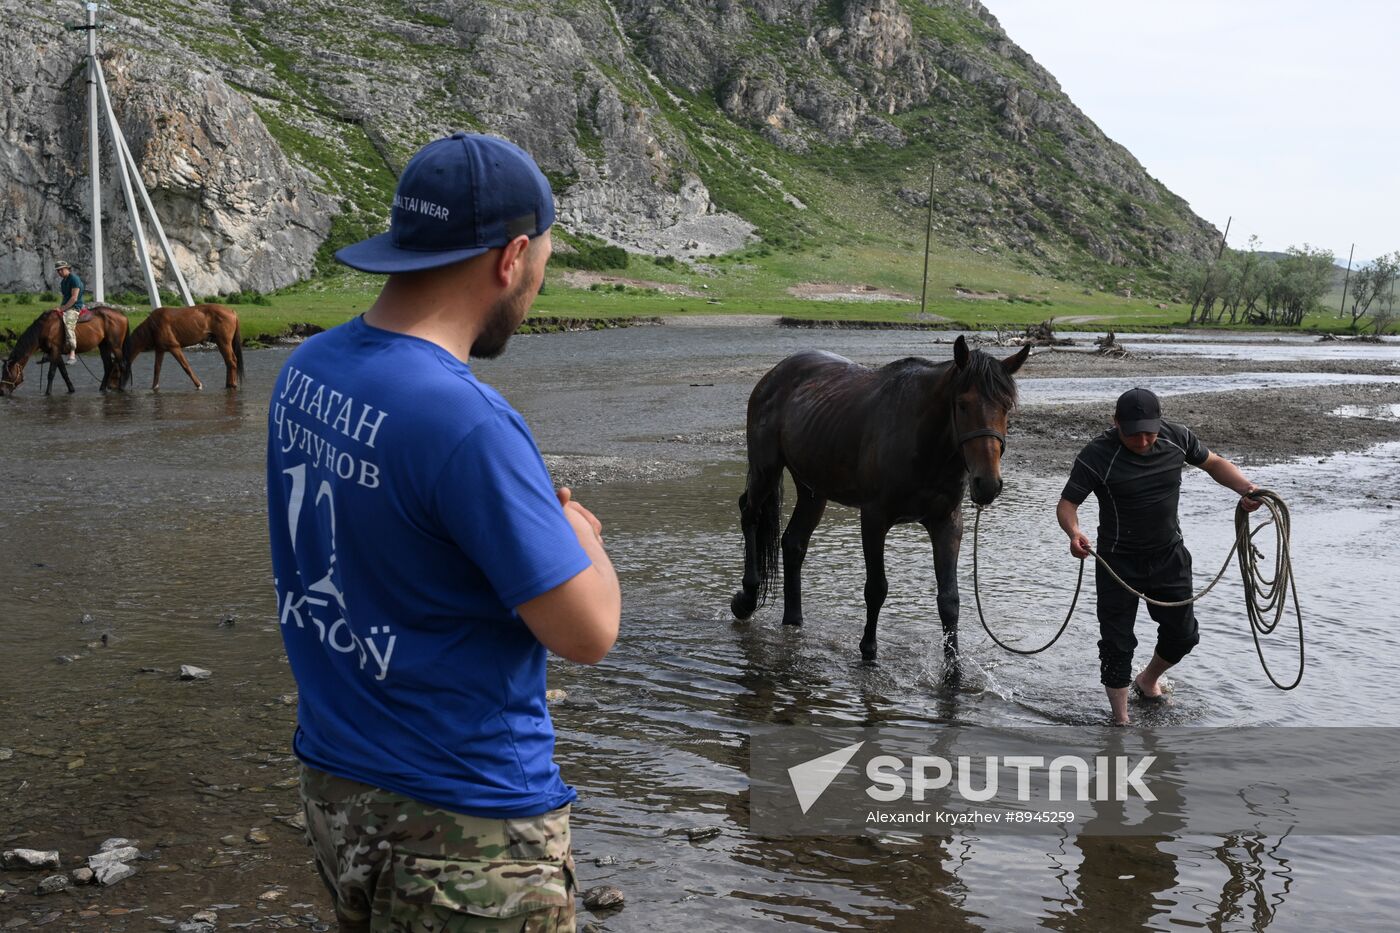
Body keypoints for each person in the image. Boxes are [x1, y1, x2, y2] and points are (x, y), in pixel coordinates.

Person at [265, 132, 621, 931]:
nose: (538, 285)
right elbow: (589, 631)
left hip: (335, 790)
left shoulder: (304, 371)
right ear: (512, 257)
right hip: (470, 828)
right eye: (543, 263)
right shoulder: (469, 423)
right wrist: (580, 535)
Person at [1056, 387, 1260, 726]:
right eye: (1133, 434)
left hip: (1169, 556)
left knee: (1184, 635)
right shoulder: (1097, 454)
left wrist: (1246, 488)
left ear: (1159, 423)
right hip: (1117, 563)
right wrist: (1074, 532)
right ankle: (1120, 721)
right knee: (1117, 644)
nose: (1142, 441)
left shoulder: (1177, 438)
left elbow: (1213, 463)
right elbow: (1067, 504)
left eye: (1149, 433)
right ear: (1116, 423)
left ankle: (1148, 679)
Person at [52, 261, 86, 364]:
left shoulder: (74, 279)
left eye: (61, 269)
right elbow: (65, 297)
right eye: (58, 270)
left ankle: (72, 353)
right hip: (66, 306)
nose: (59, 272)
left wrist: (62, 309)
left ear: (67, 268)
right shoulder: (63, 282)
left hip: (75, 307)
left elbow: (74, 298)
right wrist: (59, 307)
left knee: (68, 323)